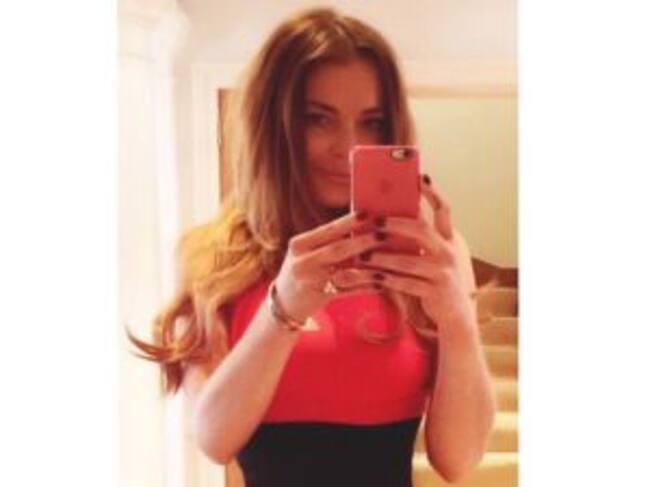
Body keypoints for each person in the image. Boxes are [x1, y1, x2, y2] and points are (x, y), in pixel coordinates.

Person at [127, 7, 495, 487]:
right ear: (272, 126)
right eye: (318, 119)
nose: (348, 146)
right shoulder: (212, 256)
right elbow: (214, 439)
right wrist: (282, 310)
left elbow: (460, 460)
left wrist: (457, 319)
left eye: (372, 122)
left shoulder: (432, 255)